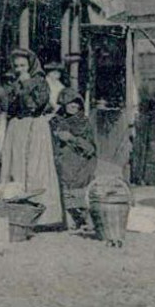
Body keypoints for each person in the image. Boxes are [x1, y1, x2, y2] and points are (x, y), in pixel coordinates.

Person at [0, 48, 64, 228]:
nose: (19, 68)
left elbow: (34, 105)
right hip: (17, 127)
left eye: (23, 65)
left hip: (35, 127)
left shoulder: (40, 82)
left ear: (31, 65)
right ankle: (15, 213)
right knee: (15, 166)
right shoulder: (13, 83)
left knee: (35, 168)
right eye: (16, 66)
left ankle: (41, 216)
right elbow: (8, 106)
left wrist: (26, 84)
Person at [50, 88, 97, 230]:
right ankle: (67, 216)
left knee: (76, 176)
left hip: (80, 163)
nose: (73, 106)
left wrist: (72, 139)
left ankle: (84, 216)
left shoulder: (84, 123)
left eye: (77, 104)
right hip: (59, 163)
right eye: (70, 103)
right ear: (63, 104)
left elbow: (91, 148)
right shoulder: (54, 122)